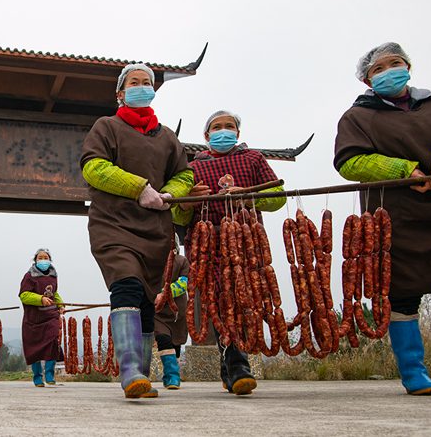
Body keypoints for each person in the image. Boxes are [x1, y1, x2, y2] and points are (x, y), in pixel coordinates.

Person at [334, 42, 431, 395]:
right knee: (401, 294)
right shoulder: (357, 117)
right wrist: (403, 171)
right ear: (367, 80)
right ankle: (414, 373)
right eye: (378, 69)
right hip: (394, 221)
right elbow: (349, 162)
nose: (388, 71)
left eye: (395, 63)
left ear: (408, 66)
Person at [80, 63, 193, 398]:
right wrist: (138, 187)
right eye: (134, 82)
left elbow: (185, 175)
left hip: (155, 230)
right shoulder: (107, 127)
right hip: (113, 224)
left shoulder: (168, 136)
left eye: (147, 82)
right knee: (126, 284)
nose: (142, 86)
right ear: (120, 92)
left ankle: (141, 377)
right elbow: (93, 167)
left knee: (146, 300)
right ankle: (129, 369)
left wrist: (171, 193)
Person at [176, 109, 286, 395]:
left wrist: (249, 196)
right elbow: (177, 214)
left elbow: (278, 199)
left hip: (244, 241)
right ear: (206, 135)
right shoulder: (191, 168)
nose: (223, 131)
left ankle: (230, 366)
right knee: (219, 300)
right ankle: (237, 365)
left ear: (238, 133)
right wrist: (187, 202)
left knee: (244, 299)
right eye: (217, 127)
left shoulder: (254, 159)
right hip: (207, 243)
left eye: (229, 126)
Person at [19, 248, 64, 387]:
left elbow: (54, 293)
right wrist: (40, 299)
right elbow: (24, 295)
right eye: (40, 258)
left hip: (51, 316)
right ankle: (37, 376)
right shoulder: (29, 276)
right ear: (35, 260)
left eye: (46, 258)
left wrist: (60, 304)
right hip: (34, 318)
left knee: (53, 343)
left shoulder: (53, 275)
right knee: (34, 348)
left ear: (50, 260)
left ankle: (50, 374)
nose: (43, 260)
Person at [153, 247, 189, 390]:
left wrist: (164, 293)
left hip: (177, 313)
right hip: (158, 313)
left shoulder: (182, 261)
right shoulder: (154, 261)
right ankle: (171, 376)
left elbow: (183, 284)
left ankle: (174, 375)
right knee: (163, 339)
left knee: (176, 343)